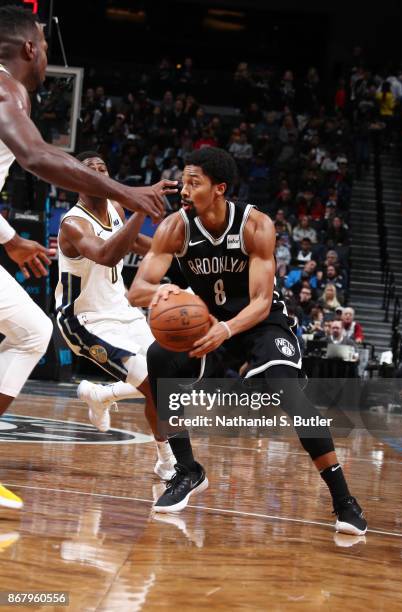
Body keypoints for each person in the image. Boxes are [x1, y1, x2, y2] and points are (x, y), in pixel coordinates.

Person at [129, 147, 367, 535]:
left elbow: (259, 302)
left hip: (260, 323)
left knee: (288, 393)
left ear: (219, 188)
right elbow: (139, 287)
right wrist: (169, 295)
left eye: (194, 183)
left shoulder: (256, 224)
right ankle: (188, 471)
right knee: (159, 357)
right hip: (207, 321)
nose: (184, 190)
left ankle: (343, 499)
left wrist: (225, 329)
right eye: (183, 181)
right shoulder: (176, 227)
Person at [0, 5, 177, 509]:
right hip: (86, 318)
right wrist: (128, 192)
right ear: (31, 48)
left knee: (31, 334)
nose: (47, 57)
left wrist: (10, 235)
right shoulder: (8, 89)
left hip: (118, 312)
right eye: (46, 46)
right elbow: (37, 157)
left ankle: (112, 404)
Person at [56, 152, 176, 480]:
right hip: (85, 320)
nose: (98, 172)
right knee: (154, 386)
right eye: (89, 170)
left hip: (122, 309)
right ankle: (167, 461)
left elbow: (133, 240)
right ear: (77, 179)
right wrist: (141, 206)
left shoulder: (115, 208)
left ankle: (102, 394)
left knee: (171, 374)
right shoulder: (73, 224)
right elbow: (108, 254)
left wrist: (174, 251)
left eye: (103, 168)